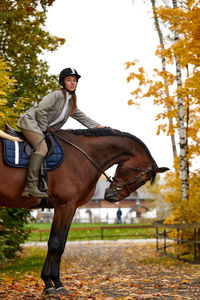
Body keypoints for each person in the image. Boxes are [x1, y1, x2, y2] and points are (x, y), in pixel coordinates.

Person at [17, 67, 104, 198]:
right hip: (30, 122)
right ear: (63, 82)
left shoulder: (71, 102)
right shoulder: (57, 95)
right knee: (42, 148)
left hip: (43, 128)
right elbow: (41, 110)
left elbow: (83, 118)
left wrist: (102, 128)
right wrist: (44, 128)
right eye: (69, 80)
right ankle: (30, 186)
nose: (72, 83)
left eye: (75, 80)